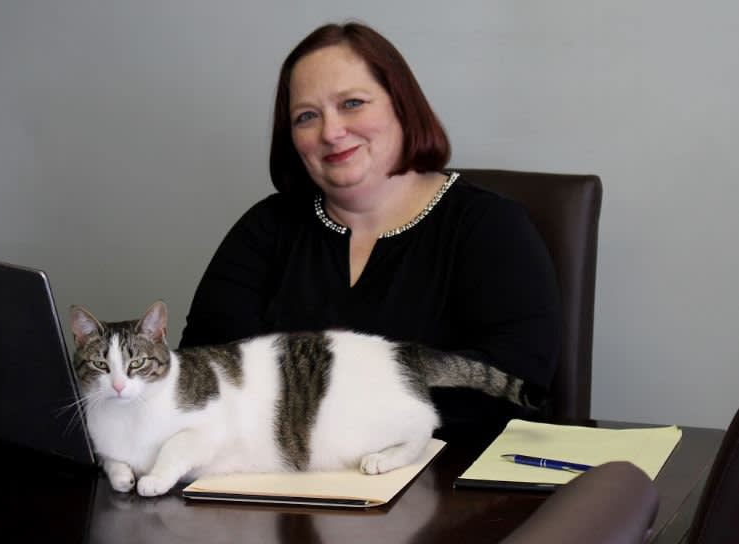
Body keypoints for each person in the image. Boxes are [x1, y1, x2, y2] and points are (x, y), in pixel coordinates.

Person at [180, 22, 561, 441]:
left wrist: (309, 401)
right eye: (307, 116)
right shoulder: (266, 228)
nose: (331, 132)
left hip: (454, 487)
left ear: (401, 105)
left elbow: (508, 386)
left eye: (352, 103)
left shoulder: (492, 226)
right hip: (277, 486)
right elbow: (200, 371)